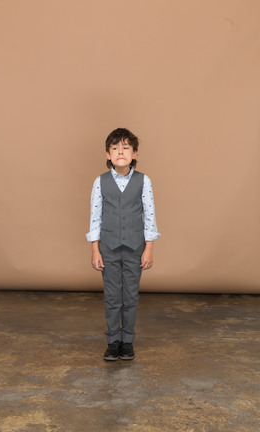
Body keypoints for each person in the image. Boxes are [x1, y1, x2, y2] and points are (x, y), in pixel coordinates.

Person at [86, 128, 160, 361]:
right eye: (115, 148)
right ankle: (113, 341)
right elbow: (95, 217)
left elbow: (150, 216)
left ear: (134, 153)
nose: (120, 152)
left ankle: (127, 341)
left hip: (135, 247)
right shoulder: (100, 182)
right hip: (107, 247)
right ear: (108, 154)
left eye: (125, 148)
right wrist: (95, 249)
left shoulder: (143, 181)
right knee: (111, 297)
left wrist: (149, 248)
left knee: (130, 296)